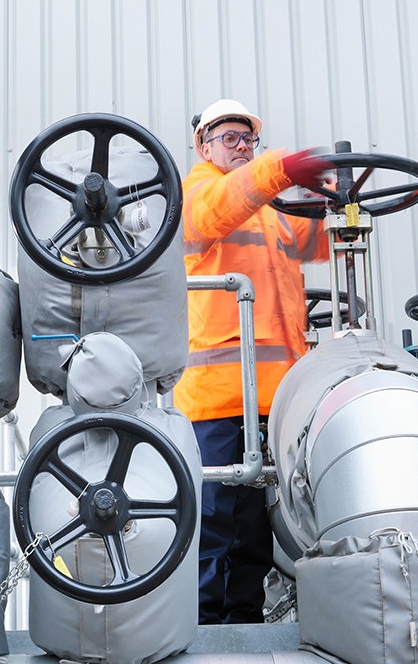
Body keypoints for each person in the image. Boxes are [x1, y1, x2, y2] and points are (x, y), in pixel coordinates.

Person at [174, 99, 334, 625]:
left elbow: (314, 245)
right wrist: (282, 168)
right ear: (204, 146)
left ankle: (244, 628)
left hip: (278, 394)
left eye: (249, 139)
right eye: (231, 138)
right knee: (213, 524)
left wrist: (326, 197)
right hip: (217, 397)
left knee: (255, 532)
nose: (243, 147)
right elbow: (216, 209)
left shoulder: (268, 209)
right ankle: (201, 632)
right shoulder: (195, 194)